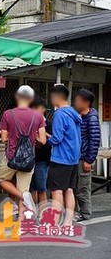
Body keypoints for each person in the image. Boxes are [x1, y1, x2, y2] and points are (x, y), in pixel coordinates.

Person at [0, 86, 47, 217]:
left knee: (0, 179)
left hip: (10, 157)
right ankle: (21, 227)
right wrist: (33, 137)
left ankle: (22, 195)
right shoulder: (38, 116)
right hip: (29, 158)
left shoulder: (8, 114)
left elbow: (3, 139)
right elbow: (42, 140)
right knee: (24, 189)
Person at [48, 84, 82, 226]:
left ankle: (54, 223)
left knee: (56, 191)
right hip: (73, 158)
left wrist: (44, 139)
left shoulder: (60, 114)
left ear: (56, 97)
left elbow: (57, 138)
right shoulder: (75, 114)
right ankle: (67, 223)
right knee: (69, 190)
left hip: (61, 157)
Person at [73, 89, 101, 221]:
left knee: (82, 187)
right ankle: (77, 211)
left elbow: (95, 140)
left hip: (84, 158)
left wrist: (89, 160)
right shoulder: (80, 116)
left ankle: (84, 213)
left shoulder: (91, 118)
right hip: (77, 157)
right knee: (76, 186)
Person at [30, 96, 53, 206]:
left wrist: (40, 140)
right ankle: (33, 211)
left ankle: (43, 211)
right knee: (31, 188)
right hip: (30, 160)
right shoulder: (30, 124)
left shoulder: (49, 124)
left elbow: (50, 143)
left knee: (41, 188)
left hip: (42, 160)